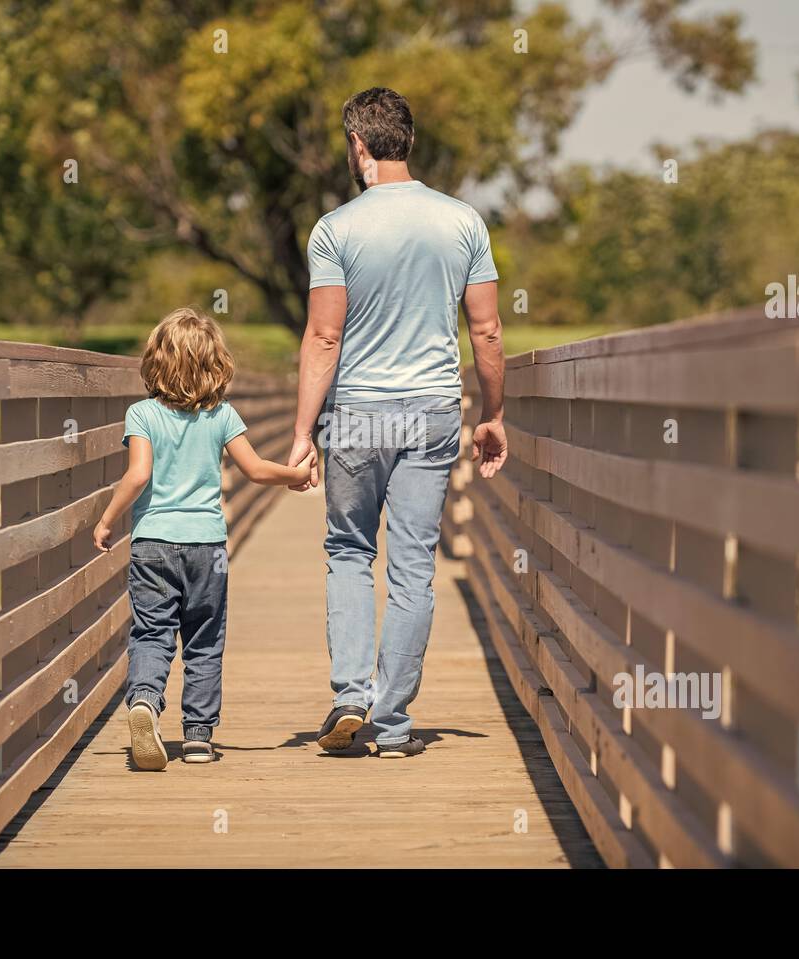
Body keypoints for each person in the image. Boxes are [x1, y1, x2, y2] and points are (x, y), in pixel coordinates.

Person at [287, 87, 509, 759]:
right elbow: (488, 329)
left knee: (351, 552)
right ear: (405, 141)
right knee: (413, 566)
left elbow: (324, 339)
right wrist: (494, 413)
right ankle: (393, 723)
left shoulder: (336, 229)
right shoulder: (463, 221)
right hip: (433, 412)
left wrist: (302, 432)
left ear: (358, 145)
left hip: (358, 413)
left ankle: (351, 695)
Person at [94, 307, 315, 770]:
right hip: (207, 548)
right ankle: (197, 736)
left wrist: (109, 519)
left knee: (152, 632)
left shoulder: (142, 413)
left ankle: (145, 702)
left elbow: (137, 476)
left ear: (155, 361)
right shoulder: (221, 415)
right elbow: (254, 470)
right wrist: (294, 475)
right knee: (204, 640)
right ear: (216, 364)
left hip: (153, 542)